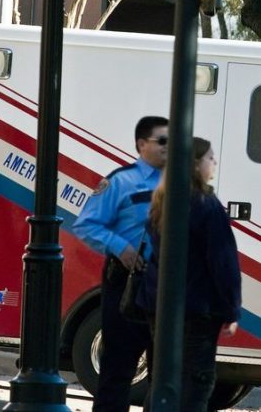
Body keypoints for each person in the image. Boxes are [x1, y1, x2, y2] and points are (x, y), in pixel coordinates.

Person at [72, 115, 168, 411]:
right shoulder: (121, 182)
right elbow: (86, 224)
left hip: (170, 288)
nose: (169, 147)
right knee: (118, 370)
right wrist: (120, 247)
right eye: (162, 141)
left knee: (167, 376)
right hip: (129, 283)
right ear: (142, 144)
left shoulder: (182, 183)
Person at [140, 137, 241, 411]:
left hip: (160, 307)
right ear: (195, 165)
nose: (215, 162)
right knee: (195, 383)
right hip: (197, 310)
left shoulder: (161, 202)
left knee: (162, 381)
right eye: (210, 158)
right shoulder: (207, 206)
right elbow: (223, 263)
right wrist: (232, 310)